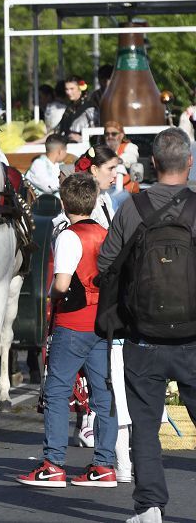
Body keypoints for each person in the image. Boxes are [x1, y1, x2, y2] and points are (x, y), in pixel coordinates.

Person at [96, 127, 196, 523]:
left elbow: (106, 265)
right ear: (189, 163)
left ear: (153, 163)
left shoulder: (130, 207)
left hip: (143, 337)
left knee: (146, 425)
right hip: (194, 336)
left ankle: (150, 507)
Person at [17, 174, 117, 489]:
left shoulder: (68, 236)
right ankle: (104, 465)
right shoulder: (106, 233)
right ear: (94, 200)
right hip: (102, 322)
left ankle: (54, 464)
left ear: (64, 202)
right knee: (103, 396)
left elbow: (62, 284)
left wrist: (50, 295)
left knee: (58, 392)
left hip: (72, 322)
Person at [102, 120, 143, 192]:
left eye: (114, 134)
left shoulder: (130, 147)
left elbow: (132, 157)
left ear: (121, 135)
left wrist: (118, 160)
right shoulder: (102, 149)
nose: (110, 136)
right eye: (107, 134)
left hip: (129, 192)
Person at [55, 76, 98, 142]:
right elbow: (58, 129)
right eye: (66, 89)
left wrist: (81, 138)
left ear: (80, 89)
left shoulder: (90, 107)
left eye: (72, 89)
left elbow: (96, 131)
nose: (68, 92)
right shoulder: (70, 108)